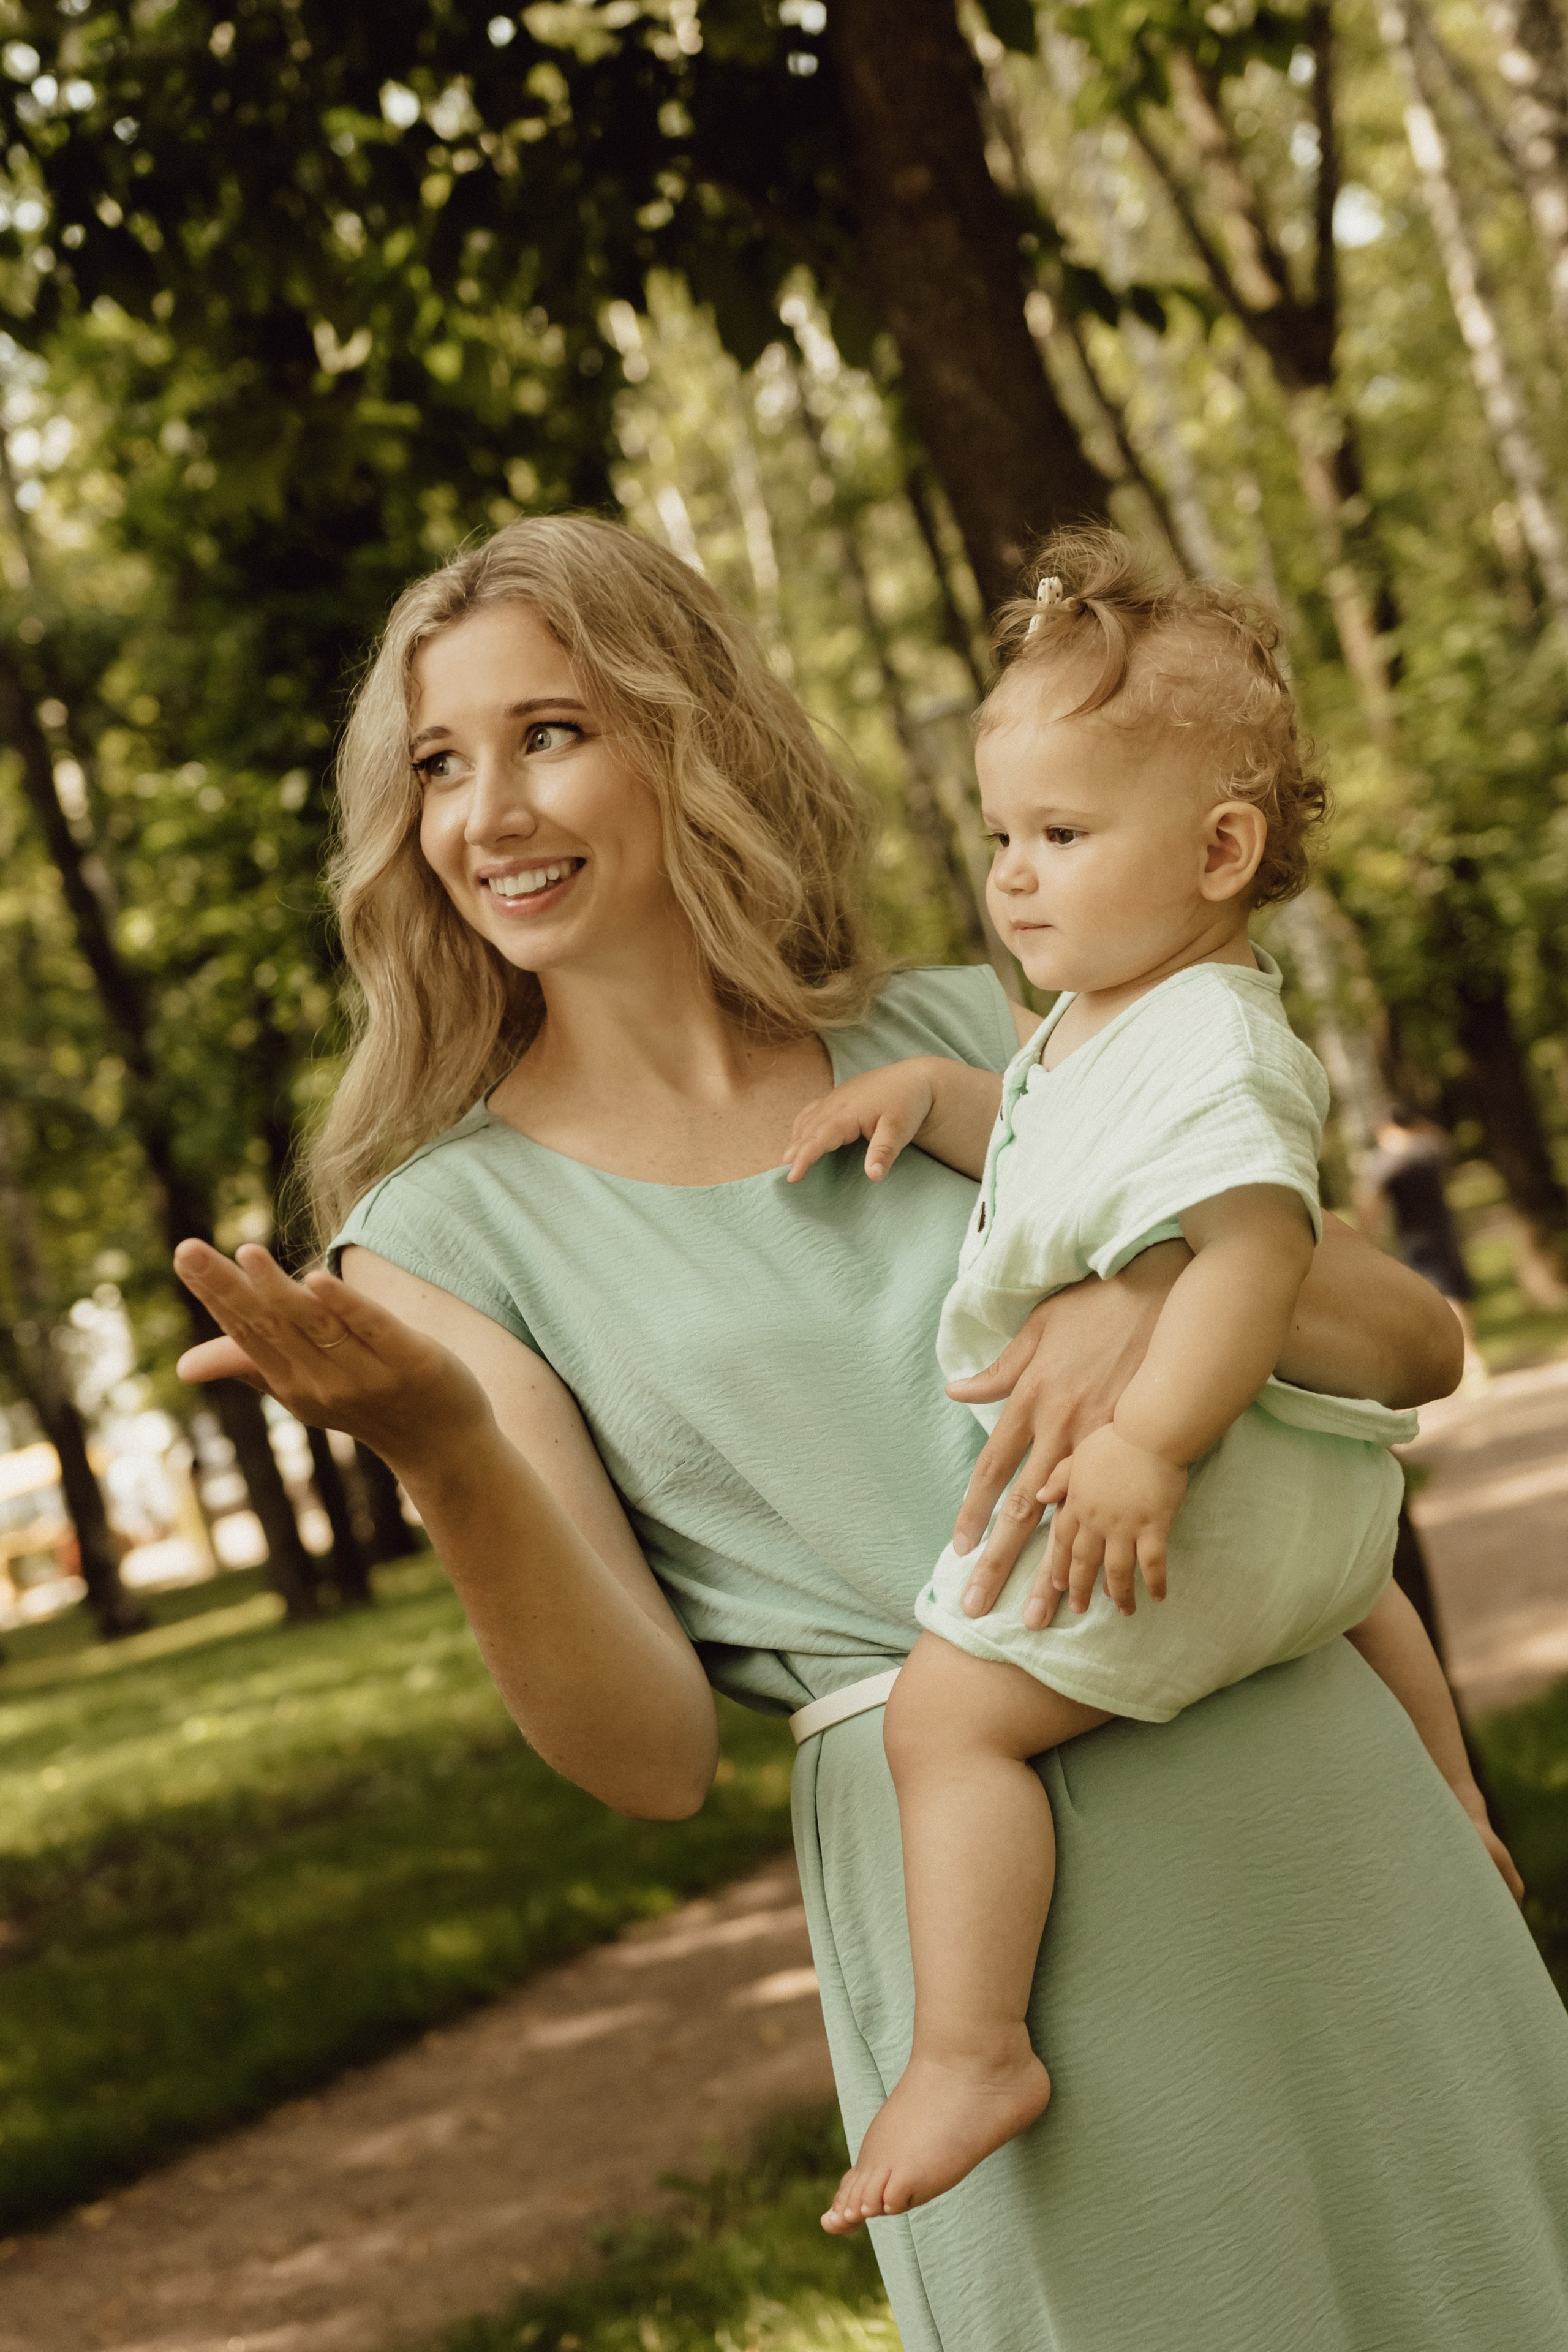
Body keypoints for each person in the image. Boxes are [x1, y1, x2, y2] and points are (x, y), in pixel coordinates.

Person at [172, 514, 1568, 2352]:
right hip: (1004, 1927)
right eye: (437, 763)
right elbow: (650, 1752)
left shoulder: (960, 1023)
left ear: (686, 732)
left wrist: (1160, 1298)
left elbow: (1412, 1342)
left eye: (548, 732)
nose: (486, 810)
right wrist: (440, 1449)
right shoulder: (438, 1238)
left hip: (1321, 1792)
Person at [782, 535, 1520, 2233]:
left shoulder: (1210, 1040)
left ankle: (973, 2047)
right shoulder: (1105, 1020)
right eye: (1000, 839)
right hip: (1322, 1533)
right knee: (1356, 1599)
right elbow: (1042, 1141)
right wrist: (935, 1101)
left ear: (1222, 851)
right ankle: (1459, 1810)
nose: (1013, 881)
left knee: (949, 1721)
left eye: (1060, 835)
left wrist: (1152, 1450)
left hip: (1207, 1481)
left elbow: (1254, 1253)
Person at [1358, 1106, 1486, 1382]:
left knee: (1441, 1296)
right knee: (1457, 1292)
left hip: (1415, 1239)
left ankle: (1467, 1359)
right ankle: (1470, 1355)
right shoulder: (1428, 1149)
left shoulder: (1388, 1163)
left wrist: (1364, 1239)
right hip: (1445, 1230)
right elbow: (1440, 1137)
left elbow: (1372, 1203)